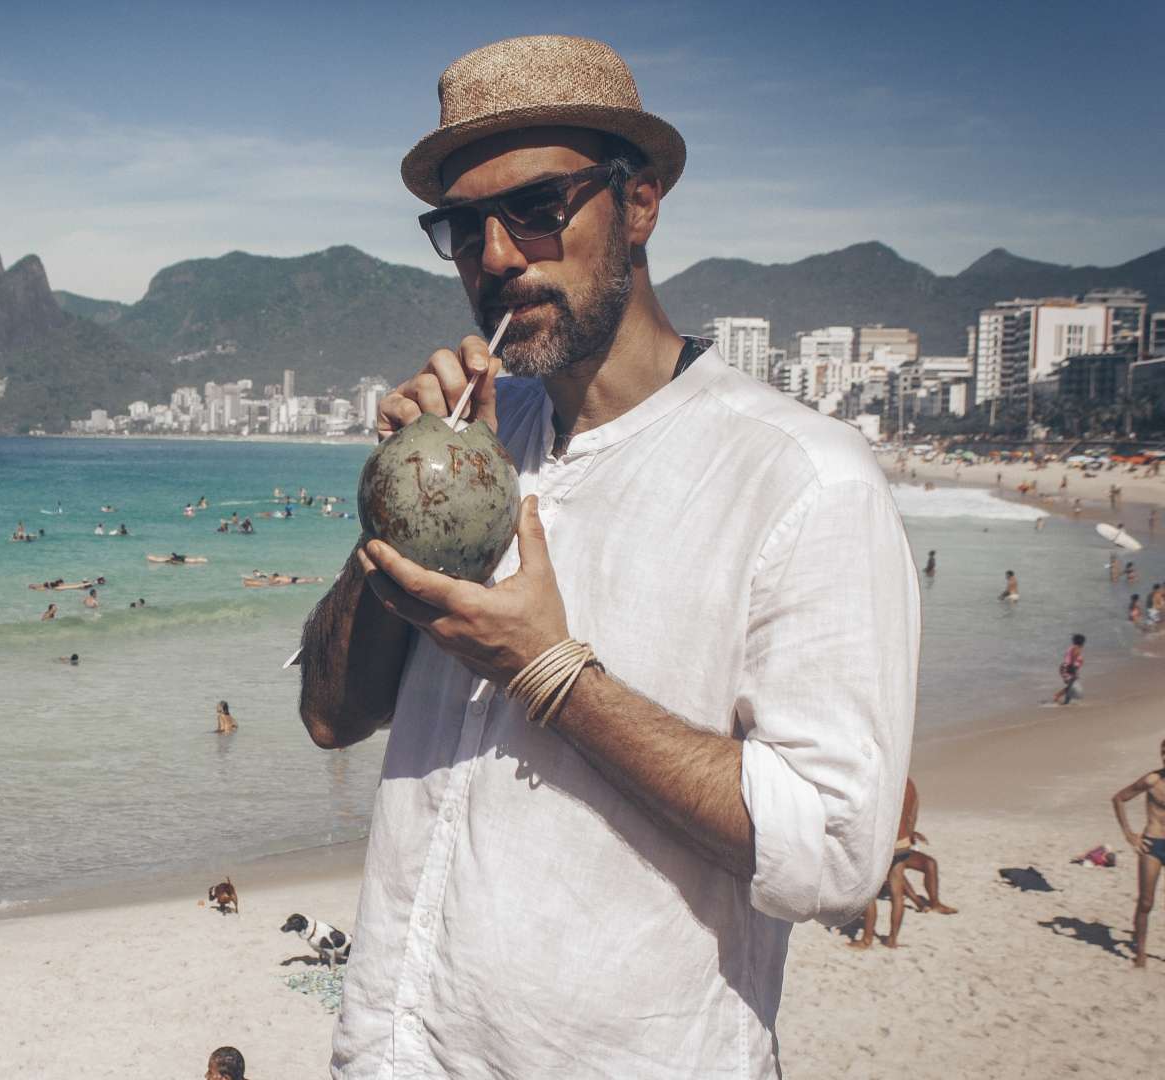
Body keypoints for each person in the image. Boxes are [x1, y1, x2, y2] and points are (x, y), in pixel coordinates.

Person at [296, 37, 916, 1078]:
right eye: (464, 227)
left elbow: (835, 853)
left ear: (639, 203)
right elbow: (330, 716)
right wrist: (398, 505)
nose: (498, 255)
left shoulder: (802, 480)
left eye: (539, 206)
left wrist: (550, 672)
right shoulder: (478, 445)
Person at [849, 778, 955, 950]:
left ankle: (867, 940)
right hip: (902, 843)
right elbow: (912, 816)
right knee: (897, 894)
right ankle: (892, 939)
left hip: (882, 844)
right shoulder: (909, 784)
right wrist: (909, 833)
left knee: (869, 893)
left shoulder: (881, 783)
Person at [1111, 737, 1165, 968]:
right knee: (1145, 902)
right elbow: (1119, 798)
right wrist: (1129, 834)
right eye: (1164, 753)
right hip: (1152, 844)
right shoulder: (1152, 780)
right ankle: (1141, 954)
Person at [1055, 633, 1085, 704]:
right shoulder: (1077, 648)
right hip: (1069, 668)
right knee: (1071, 686)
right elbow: (1073, 658)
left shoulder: (1073, 648)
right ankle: (1058, 696)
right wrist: (1073, 670)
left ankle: (1065, 701)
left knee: (1071, 686)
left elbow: (1070, 658)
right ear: (1082, 642)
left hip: (1067, 667)